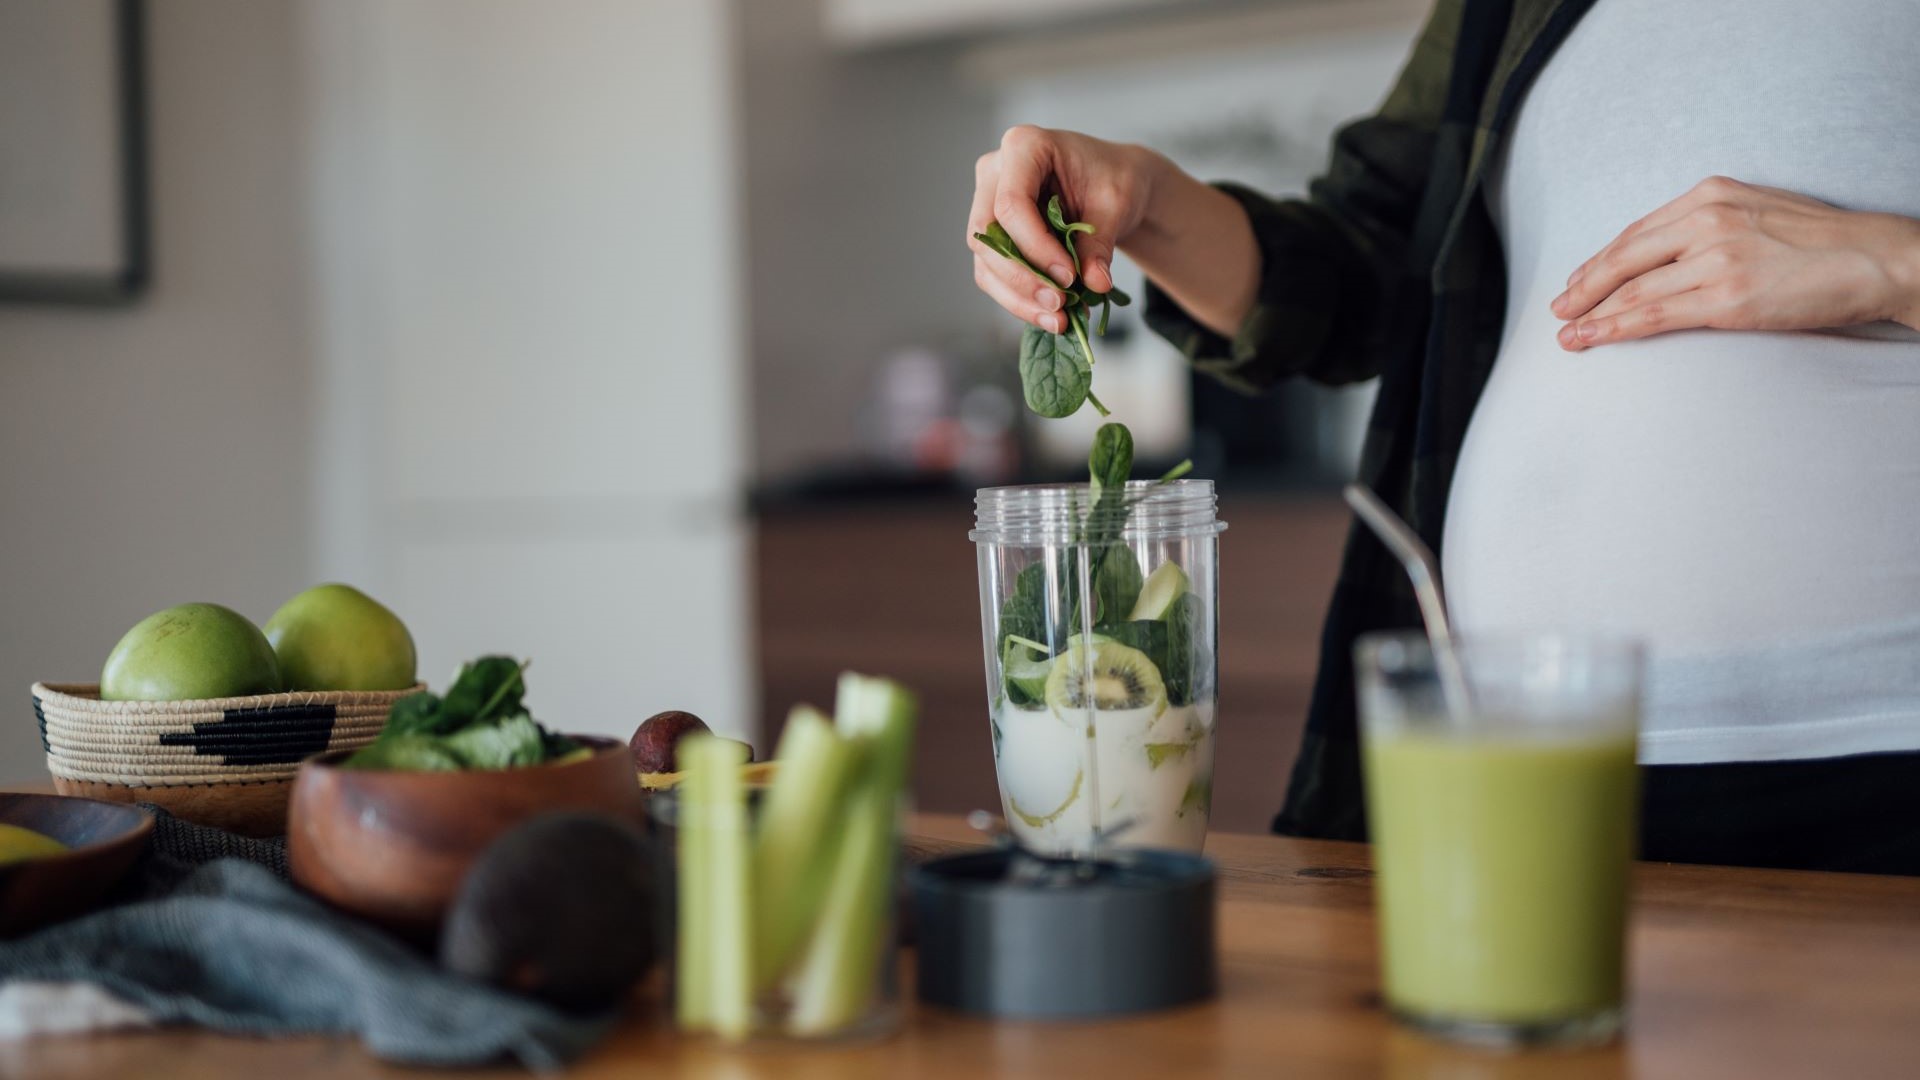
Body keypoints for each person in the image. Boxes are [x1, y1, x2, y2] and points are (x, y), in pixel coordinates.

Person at [964, 0, 1920, 874]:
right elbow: (1362, 273)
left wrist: (1896, 261)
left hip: (1882, 742)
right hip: (1526, 753)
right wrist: (1147, 200)